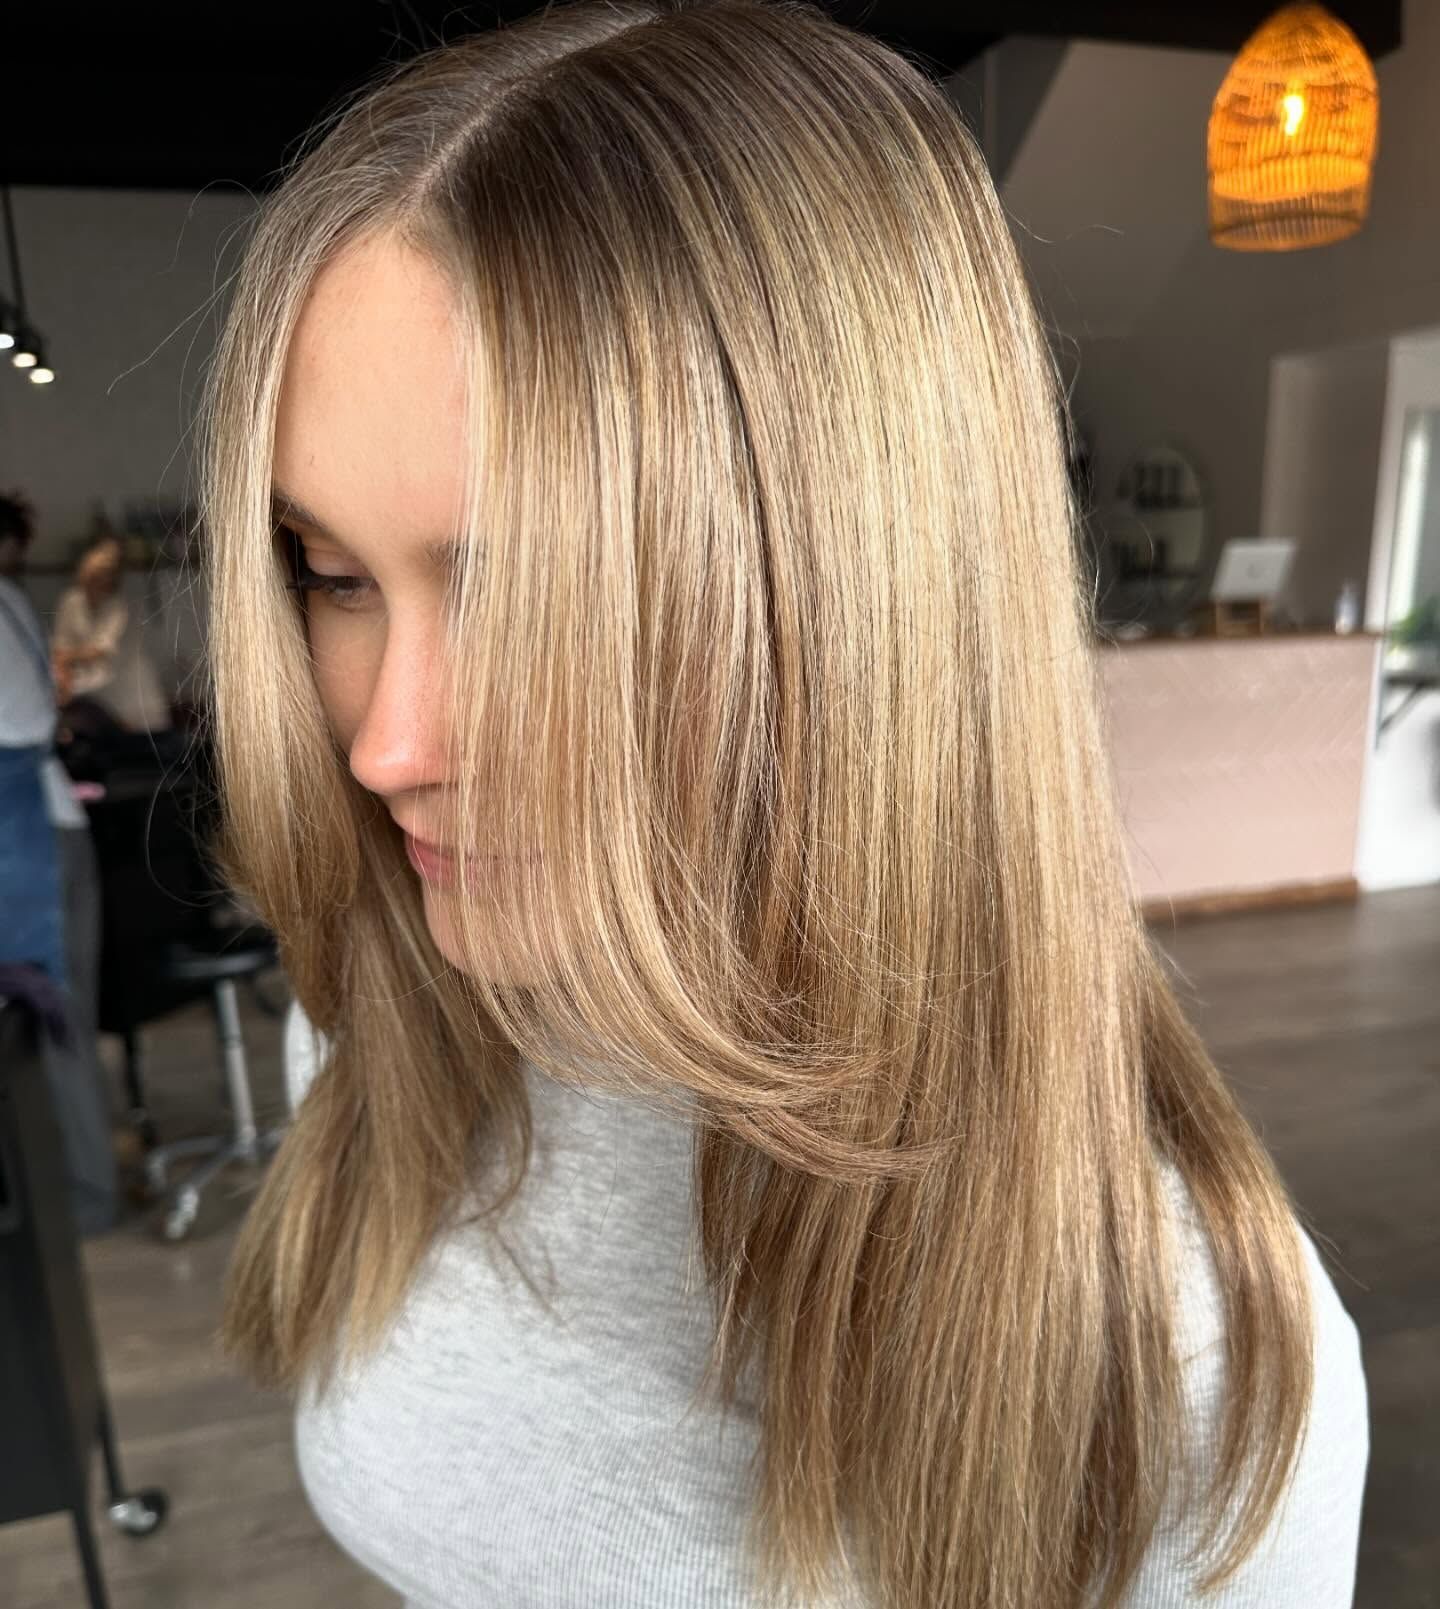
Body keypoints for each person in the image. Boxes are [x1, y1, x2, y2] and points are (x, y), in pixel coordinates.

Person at [203, 3, 1368, 1606]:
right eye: (331, 576)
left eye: (540, 595)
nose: (385, 745)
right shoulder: (379, 1022)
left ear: (861, 603)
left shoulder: (1187, 1374)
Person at [0, 490, 117, 1235]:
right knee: (56, 1016)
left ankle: (79, 1194)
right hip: (48, 825)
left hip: (26, 843)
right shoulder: (10, 597)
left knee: (46, 1015)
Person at [52, 531, 172, 735]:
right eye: (90, 579)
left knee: (134, 738)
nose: (93, 585)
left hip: (123, 681)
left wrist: (68, 657)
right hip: (86, 684)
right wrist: (63, 667)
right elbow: (62, 641)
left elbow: (101, 649)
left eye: (100, 579)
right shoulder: (71, 601)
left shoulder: (118, 607)